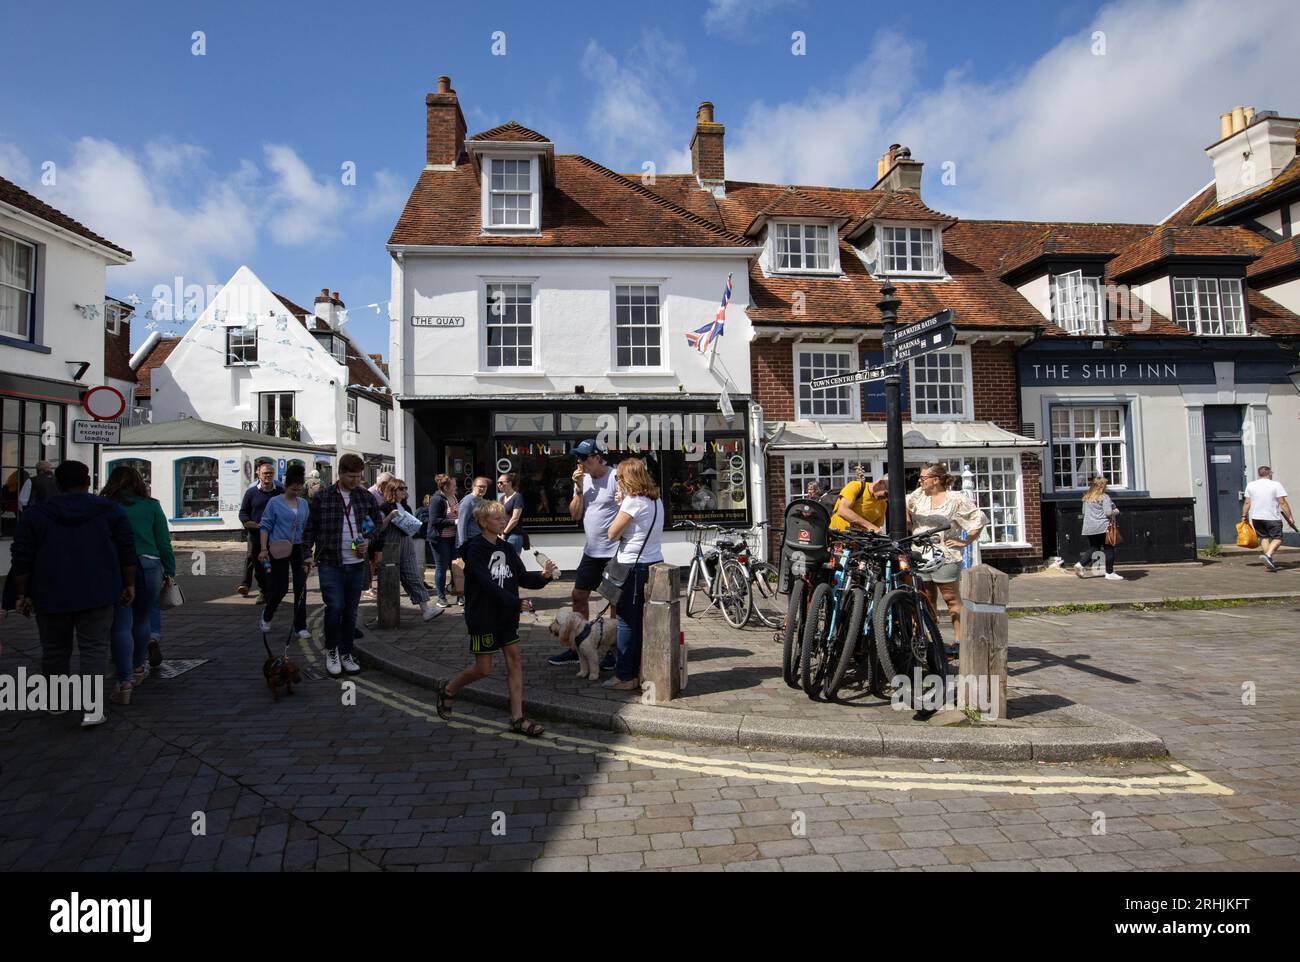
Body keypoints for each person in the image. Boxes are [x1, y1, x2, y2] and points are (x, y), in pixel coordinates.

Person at [9, 461, 138, 727]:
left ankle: (56, 703)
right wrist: (129, 584)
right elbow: (126, 550)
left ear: (57, 483)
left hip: (51, 591)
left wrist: (21, 594)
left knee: (55, 649)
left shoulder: (36, 515)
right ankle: (91, 708)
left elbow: (22, 557)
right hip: (98, 590)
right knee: (93, 649)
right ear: (88, 482)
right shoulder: (109, 511)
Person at [435, 499, 556, 736]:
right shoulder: (475, 550)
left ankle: (517, 718)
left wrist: (544, 577)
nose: (503, 521)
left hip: (506, 615)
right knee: (484, 670)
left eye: (503, 517)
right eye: (497, 518)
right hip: (483, 616)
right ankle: (449, 689)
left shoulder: (507, 548)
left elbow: (521, 578)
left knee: (515, 661)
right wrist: (515, 602)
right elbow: (486, 584)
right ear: (483, 522)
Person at [302, 453, 385, 677]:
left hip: (357, 563)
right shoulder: (323, 496)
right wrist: (306, 555)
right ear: (340, 474)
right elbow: (310, 527)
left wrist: (368, 539)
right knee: (335, 606)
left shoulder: (364, 497)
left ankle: (346, 652)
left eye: (359, 476)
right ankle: (332, 652)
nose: (356, 481)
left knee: (350, 611)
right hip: (330, 562)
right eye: (351, 477)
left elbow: (376, 523)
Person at [100, 465, 175, 704]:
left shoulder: (106, 506)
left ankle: (125, 680)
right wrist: (170, 572)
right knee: (142, 618)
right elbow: (163, 542)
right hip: (150, 565)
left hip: (116, 565)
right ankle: (139, 666)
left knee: (121, 623)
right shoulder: (151, 506)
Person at [547, 440, 619, 668]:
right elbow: (575, 515)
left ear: (598, 457)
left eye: (584, 458)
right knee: (578, 595)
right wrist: (578, 489)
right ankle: (578, 646)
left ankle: (614, 651)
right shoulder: (583, 479)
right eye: (578, 458)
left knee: (615, 600)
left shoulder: (616, 477)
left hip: (614, 551)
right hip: (592, 551)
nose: (580, 462)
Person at [905, 462, 987, 656]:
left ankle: (960, 641)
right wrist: (908, 523)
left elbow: (978, 518)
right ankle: (930, 639)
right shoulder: (918, 495)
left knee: (951, 599)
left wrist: (964, 541)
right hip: (920, 554)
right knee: (925, 599)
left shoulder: (955, 498)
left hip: (945, 555)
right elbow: (902, 504)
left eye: (924, 478)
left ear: (936, 480)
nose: (920, 480)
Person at [604, 458, 665, 690]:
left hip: (632, 566)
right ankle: (641, 671)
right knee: (643, 622)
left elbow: (612, 533)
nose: (617, 482)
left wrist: (621, 506)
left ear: (626, 478)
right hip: (653, 562)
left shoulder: (632, 501)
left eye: (618, 478)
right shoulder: (656, 500)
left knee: (626, 623)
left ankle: (625, 676)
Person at [258, 462, 312, 638]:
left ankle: (300, 626)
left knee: (300, 587)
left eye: (299, 490)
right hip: (279, 547)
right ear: (286, 485)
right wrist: (263, 548)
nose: (296, 492)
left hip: (298, 548)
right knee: (280, 587)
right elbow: (265, 526)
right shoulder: (274, 502)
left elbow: (306, 528)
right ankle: (268, 613)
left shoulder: (304, 504)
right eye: (293, 489)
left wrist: (308, 553)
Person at [377, 477, 441, 621]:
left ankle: (426, 609)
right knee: (389, 578)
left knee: (413, 574)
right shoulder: (385, 507)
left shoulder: (406, 507)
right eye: (401, 489)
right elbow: (379, 528)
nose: (405, 491)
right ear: (393, 490)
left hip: (406, 541)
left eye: (406, 488)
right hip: (391, 544)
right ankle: (383, 614)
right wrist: (389, 517)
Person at [237, 462, 283, 603]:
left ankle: (271, 591)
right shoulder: (251, 493)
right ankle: (261, 590)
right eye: (265, 473)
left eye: (270, 473)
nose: (268, 475)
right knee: (256, 561)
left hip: (275, 534)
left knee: (275, 563)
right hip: (256, 534)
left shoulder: (280, 491)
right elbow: (243, 513)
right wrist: (250, 523)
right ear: (258, 474)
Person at [1243, 466, 1295, 572]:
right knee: (1278, 538)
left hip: (1256, 517)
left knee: (1263, 538)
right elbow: (1282, 503)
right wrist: (1289, 516)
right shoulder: (1276, 485)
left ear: (1259, 474)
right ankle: (1268, 555)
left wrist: (1244, 516)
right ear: (1270, 473)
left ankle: (1269, 560)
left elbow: (1247, 502)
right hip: (1272, 517)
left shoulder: (1251, 485)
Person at [1075, 476, 1122, 581]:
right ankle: (1109, 573)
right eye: (1105, 485)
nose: (1107, 487)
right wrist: (1116, 511)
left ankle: (1080, 564)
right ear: (1102, 486)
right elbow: (1108, 512)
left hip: (1089, 527)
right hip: (1103, 527)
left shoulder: (1086, 497)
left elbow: (1083, 512)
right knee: (1109, 548)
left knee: (1094, 547)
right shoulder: (1104, 497)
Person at [427, 474, 459, 607]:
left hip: (454, 538)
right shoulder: (437, 500)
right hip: (440, 539)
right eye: (453, 485)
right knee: (442, 567)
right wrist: (454, 521)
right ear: (445, 487)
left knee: (456, 567)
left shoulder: (454, 497)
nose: (456, 487)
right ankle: (441, 597)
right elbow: (434, 520)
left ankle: (459, 593)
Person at [829, 466, 889, 534]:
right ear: (880, 483)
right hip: (836, 538)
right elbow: (842, 511)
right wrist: (870, 526)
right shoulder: (855, 486)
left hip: (856, 543)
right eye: (887, 494)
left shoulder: (883, 504)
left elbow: (875, 529)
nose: (886, 498)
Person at [456, 475, 491, 548]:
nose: (482, 489)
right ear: (473, 487)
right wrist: (463, 544)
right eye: (480, 486)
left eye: (485, 487)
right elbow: (461, 524)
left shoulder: (482, 500)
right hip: (471, 541)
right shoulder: (467, 502)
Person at [498, 472, 526, 552]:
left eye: (501, 482)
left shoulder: (517, 497)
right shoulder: (502, 498)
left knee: (513, 562)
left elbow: (515, 519)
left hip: (513, 535)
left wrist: (504, 533)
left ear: (509, 483)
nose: (499, 485)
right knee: (504, 562)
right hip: (503, 535)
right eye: (498, 483)